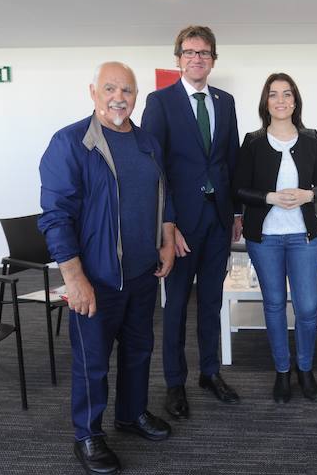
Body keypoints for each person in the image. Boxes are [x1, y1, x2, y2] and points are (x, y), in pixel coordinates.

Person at [39, 62, 176, 475]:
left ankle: (130, 414)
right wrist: (74, 278)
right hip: (96, 277)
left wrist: (167, 241)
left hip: (141, 273)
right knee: (92, 360)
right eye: (110, 89)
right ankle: (87, 434)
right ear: (93, 92)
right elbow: (55, 216)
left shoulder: (146, 141)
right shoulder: (70, 143)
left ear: (137, 96)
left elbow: (162, 194)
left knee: (138, 351)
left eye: (128, 91)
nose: (119, 97)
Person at [141, 25, 243, 419]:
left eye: (204, 52)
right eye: (189, 52)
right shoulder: (160, 101)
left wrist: (234, 212)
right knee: (177, 306)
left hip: (217, 221)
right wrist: (168, 225)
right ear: (178, 59)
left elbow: (230, 159)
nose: (197, 58)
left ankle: (210, 373)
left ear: (213, 59)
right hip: (180, 227)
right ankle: (174, 383)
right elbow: (155, 169)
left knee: (213, 302)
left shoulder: (226, 100)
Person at [233, 73, 317, 403]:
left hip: (302, 236)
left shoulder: (311, 138)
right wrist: (269, 198)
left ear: (295, 101)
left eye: (287, 94)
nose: (280, 100)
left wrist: (307, 195)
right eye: (273, 94)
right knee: (274, 305)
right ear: (266, 102)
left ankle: (305, 369)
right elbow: (239, 188)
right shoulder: (253, 141)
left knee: (307, 307)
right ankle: (282, 371)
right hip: (266, 238)